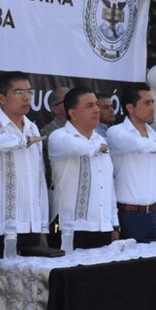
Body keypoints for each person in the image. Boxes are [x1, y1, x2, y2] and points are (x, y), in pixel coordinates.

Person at [0, 71, 48, 258]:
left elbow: (39, 179)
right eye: (18, 92)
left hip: (30, 225)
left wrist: (42, 226)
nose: (26, 97)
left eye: (29, 92)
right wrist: (25, 141)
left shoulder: (32, 127)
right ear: (1, 98)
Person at [49, 87, 119, 248]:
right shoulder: (59, 137)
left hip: (103, 227)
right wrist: (99, 146)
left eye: (96, 104)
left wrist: (114, 224)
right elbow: (81, 148)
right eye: (89, 106)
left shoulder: (101, 140)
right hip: (70, 229)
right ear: (72, 113)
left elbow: (109, 186)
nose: (96, 109)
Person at [106, 84, 156, 243]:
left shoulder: (152, 133)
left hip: (152, 214)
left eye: (153, 102)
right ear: (130, 108)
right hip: (127, 214)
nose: (152, 107)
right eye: (147, 103)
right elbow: (136, 144)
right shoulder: (116, 132)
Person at [40, 86, 70, 188]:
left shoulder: (82, 128)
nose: (74, 104)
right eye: (68, 100)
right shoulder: (48, 132)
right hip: (58, 189)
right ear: (55, 109)